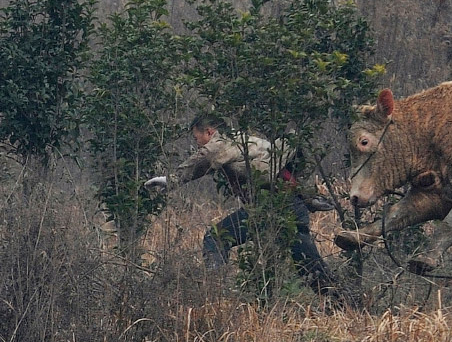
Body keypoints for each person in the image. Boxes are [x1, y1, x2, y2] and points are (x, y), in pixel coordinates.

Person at [145, 115, 340, 299]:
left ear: (210, 132)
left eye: (198, 138)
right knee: (306, 262)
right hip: (292, 204)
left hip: (272, 206)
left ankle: (215, 291)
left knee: (217, 237)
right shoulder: (248, 142)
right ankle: (341, 300)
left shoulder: (224, 143)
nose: (197, 143)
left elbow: (204, 159)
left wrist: (171, 180)